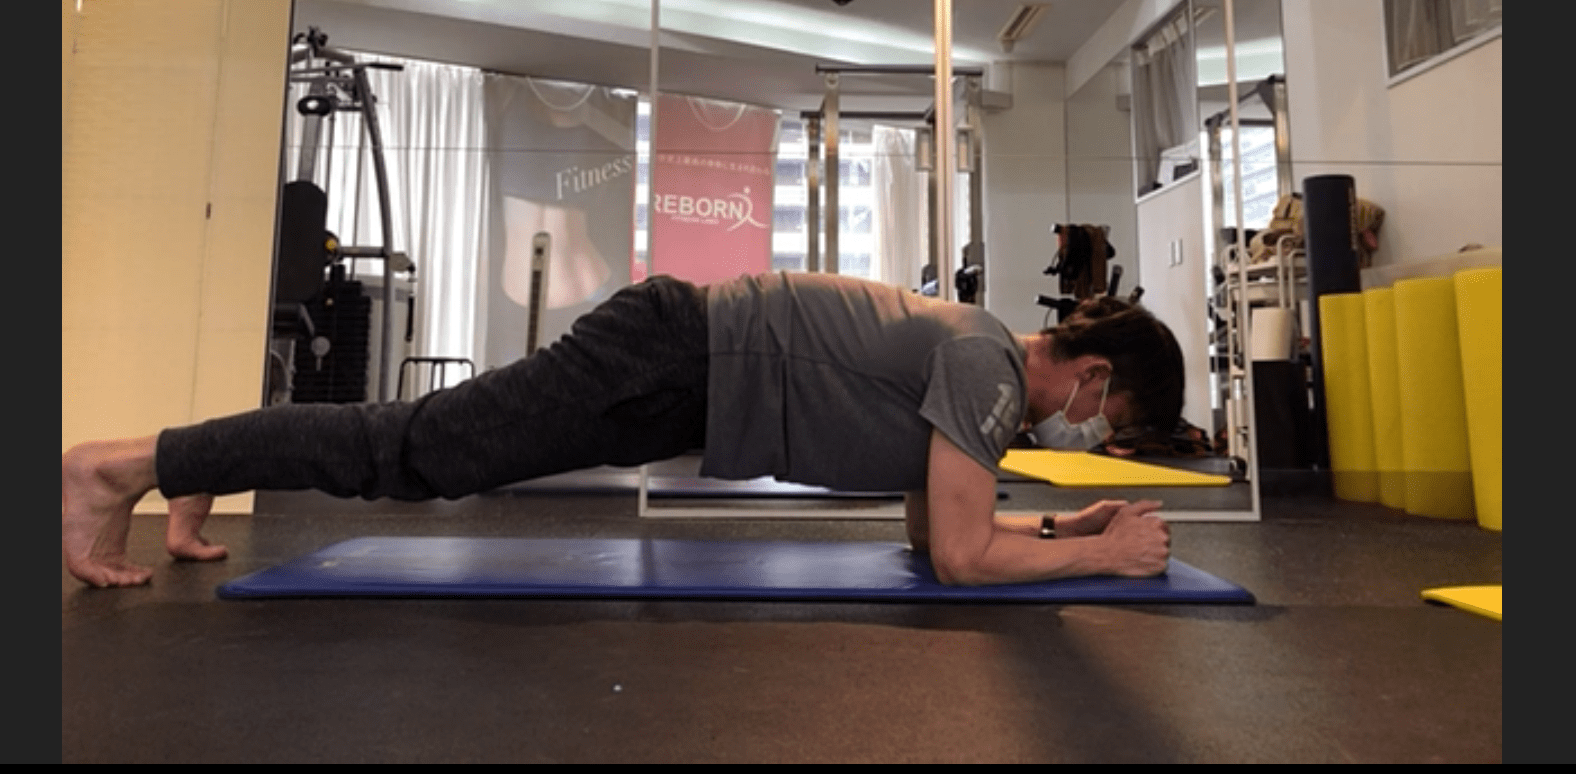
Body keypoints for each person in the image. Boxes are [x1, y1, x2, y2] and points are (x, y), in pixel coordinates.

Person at [63, 271, 1183, 589]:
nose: (1092, 433)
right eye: (1112, 418)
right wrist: (1106, 555)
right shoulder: (989, 370)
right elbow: (957, 559)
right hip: (672, 360)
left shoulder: (979, 359)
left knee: (419, 445)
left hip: (675, 370)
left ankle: (191, 461)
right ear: (1092, 374)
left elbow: (936, 530)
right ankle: (122, 465)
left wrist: (1058, 530)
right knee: (418, 453)